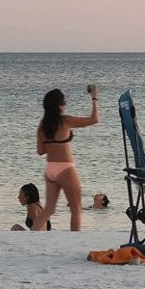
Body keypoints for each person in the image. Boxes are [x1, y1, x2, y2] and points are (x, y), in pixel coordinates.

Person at [36, 85, 100, 230]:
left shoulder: (42, 125)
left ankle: (32, 236)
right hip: (65, 168)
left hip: (50, 169)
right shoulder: (65, 121)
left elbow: (40, 151)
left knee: (48, 210)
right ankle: (74, 240)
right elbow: (94, 119)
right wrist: (94, 98)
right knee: (76, 208)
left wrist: (53, 144)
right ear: (59, 105)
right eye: (64, 102)